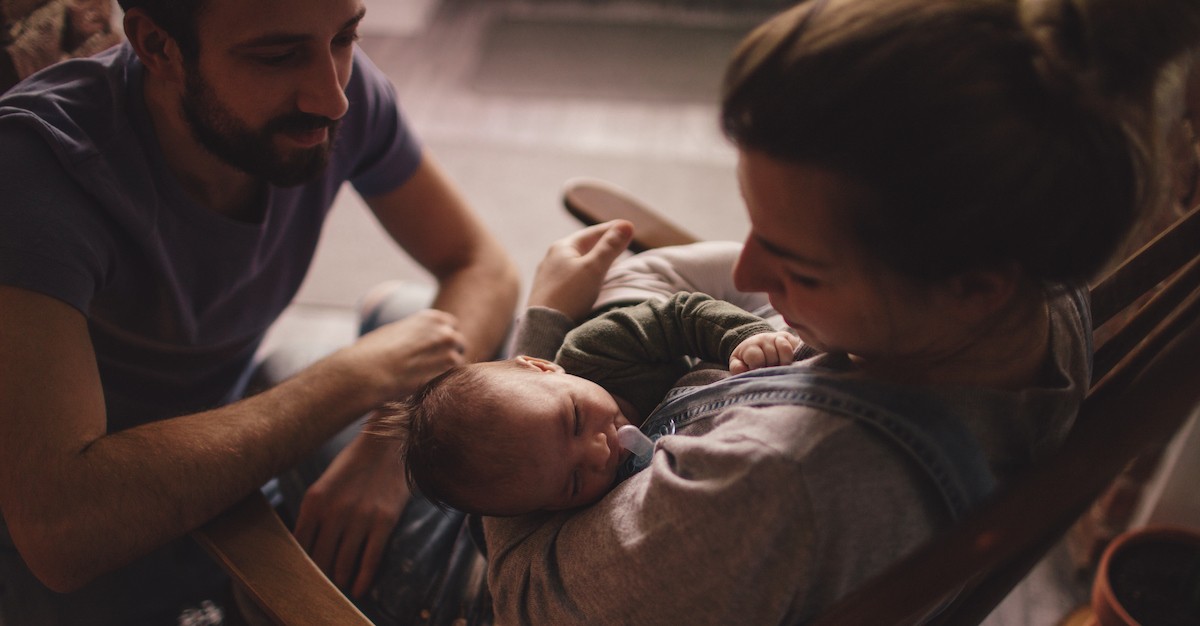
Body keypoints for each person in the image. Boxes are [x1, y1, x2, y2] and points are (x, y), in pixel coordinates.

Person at [482, 0, 1200, 624]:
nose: (748, 270)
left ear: (973, 286)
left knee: (397, 360)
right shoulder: (1033, 288)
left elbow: (525, 606)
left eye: (800, 267)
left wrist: (541, 327)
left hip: (503, 570)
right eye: (755, 224)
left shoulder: (774, 485)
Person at [0, 0, 519, 624]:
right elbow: (60, 533)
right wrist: (353, 378)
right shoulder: (36, 171)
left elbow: (479, 263)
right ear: (157, 46)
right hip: (77, 526)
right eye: (276, 56)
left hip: (239, 427)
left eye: (346, 36)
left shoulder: (330, 92)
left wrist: (390, 446)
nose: (334, 100)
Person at [376, 285, 800, 517]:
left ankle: (382, 306)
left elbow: (680, 315)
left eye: (574, 418)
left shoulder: (594, 350)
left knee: (393, 308)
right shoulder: (562, 509)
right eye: (574, 480)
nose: (601, 452)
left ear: (544, 367)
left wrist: (742, 339)